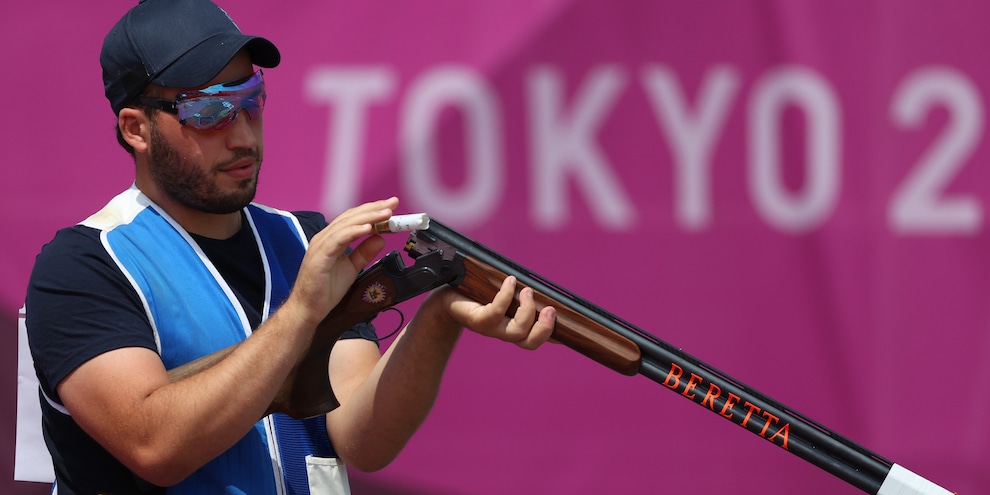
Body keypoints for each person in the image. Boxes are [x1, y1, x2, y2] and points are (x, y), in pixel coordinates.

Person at [24, 0, 557, 493]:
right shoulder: (84, 266)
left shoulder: (302, 240)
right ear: (136, 128)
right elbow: (154, 444)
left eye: (250, 99)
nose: (243, 135)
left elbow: (361, 439)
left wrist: (439, 319)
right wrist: (302, 311)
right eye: (209, 113)